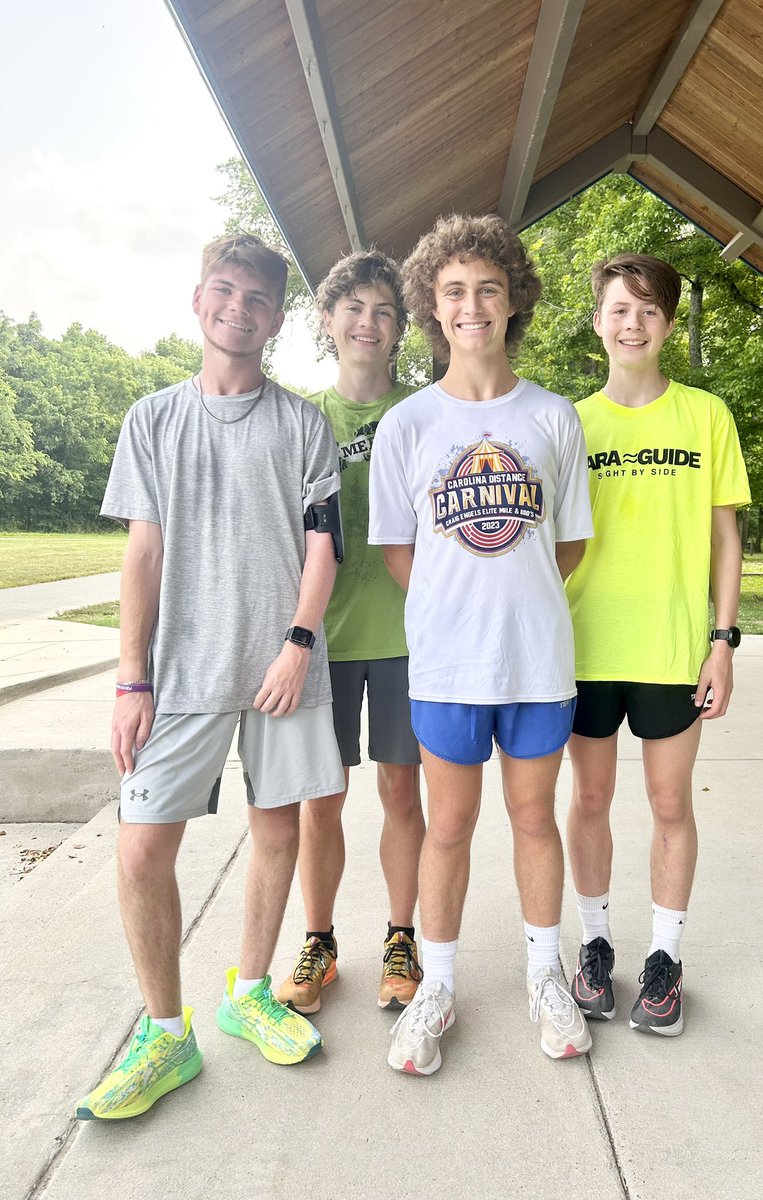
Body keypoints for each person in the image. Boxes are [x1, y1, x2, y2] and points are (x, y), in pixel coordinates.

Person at [77, 234, 345, 1121]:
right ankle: (164, 1034)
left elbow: (322, 545)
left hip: (281, 670)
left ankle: (251, 991)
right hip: (180, 674)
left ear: (276, 318)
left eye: (257, 297)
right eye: (224, 291)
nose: (239, 307)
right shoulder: (151, 420)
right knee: (143, 847)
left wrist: (299, 642)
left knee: (277, 833)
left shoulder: (306, 423)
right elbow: (142, 553)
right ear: (199, 302)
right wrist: (129, 678)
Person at [369, 214, 594, 1075]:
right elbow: (401, 551)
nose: (472, 305)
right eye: (455, 290)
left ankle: (546, 976)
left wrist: (517, 600)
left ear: (513, 300)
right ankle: (439, 986)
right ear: (434, 304)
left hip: (537, 660)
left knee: (534, 817)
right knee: (450, 826)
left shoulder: (552, 417)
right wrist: (458, 606)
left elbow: (566, 545)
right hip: (447, 663)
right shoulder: (408, 425)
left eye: (488, 288)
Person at [564, 252, 750, 1037]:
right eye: (618, 308)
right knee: (593, 800)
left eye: (647, 309)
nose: (632, 322)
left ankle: (666, 958)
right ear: (598, 322)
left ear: (666, 325)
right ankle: (596, 944)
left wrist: (723, 642)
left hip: (674, 649)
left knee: (670, 803)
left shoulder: (705, 416)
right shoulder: (568, 421)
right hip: (582, 647)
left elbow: (726, 537)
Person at [275, 250, 425, 1016]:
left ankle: (402, 937)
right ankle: (320, 940)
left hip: (404, 639)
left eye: (384, 311)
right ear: (329, 320)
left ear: (400, 329)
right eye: (354, 308)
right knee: (321, 799)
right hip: (323, 643)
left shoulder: (424, 413)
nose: (368, 323)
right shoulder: (300, 417)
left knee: (402, 788)